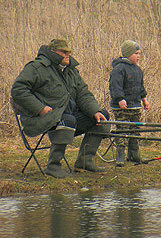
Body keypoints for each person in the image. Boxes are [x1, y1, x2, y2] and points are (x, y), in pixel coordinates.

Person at [11, 39, 111, 178]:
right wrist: (40, 108)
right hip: (41, 118)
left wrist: (95, 111)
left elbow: (83, 94)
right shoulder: (36, 68)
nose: (67, 55)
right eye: (64, 52)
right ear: (53, 52)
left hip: (66, 117)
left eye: (69, 52)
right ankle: (53, 167)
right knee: (67, 120)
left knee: (102, 117)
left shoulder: (72, 71)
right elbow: (18, 90)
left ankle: (84, 163)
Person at [109, 40, 149, 167]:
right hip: (122, 107)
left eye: (139, 53)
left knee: (135, 130)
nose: (138, 56)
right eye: (135, 53)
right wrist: (120, 99)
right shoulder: (119, 69)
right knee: (122, 130)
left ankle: (133, 154)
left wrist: (144, 99)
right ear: (127, 54)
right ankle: (120, 155)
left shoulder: (138, 70)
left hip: (135, 106)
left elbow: (141, 86)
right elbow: (115, 86)